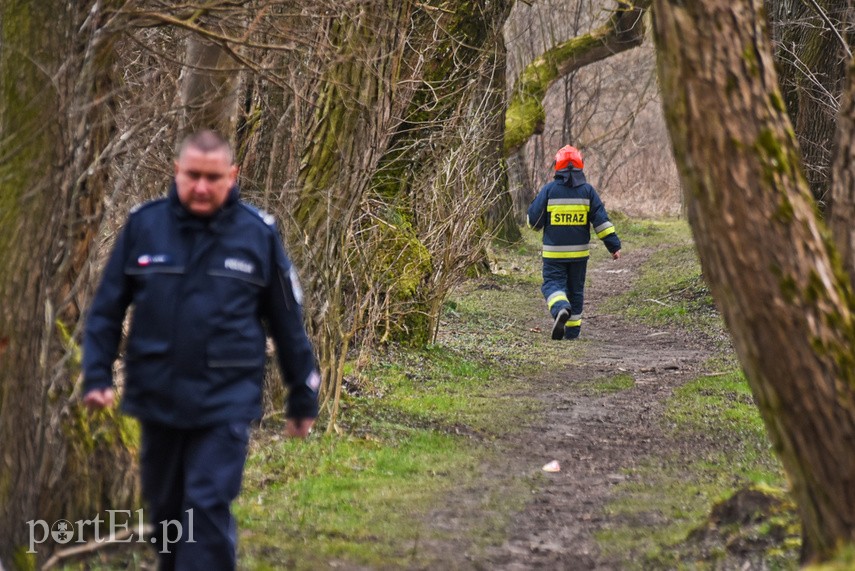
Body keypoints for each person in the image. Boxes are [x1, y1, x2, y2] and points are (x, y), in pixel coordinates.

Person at [82, 130, 320, 570]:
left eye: (213, 177)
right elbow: (105, 311)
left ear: (233, 175)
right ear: (177, 172)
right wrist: (97, 375)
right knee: (169, 522)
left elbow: (288, 323)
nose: (202, 187)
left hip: (224, 401)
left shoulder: (258, 235)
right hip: (157, 398)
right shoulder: (144, 226)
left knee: (206, 509)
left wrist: (302, 396)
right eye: (193, 175)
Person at [527, 145, 622, 340]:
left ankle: (561, 308)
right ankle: (572, 332)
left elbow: (533, 222)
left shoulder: (549, 190)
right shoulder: (587, 191)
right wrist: (614, 246)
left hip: (554, 254)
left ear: (557, 166)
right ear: (581, 166)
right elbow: (602, 222)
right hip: (579, 255)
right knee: (576, 291)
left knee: (552, 285)